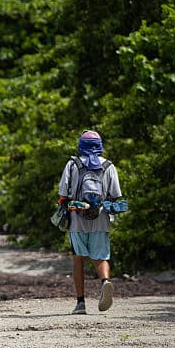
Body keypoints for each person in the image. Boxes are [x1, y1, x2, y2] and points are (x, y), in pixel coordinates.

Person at [58, 130, 123, 315]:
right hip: (101, 218)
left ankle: (80, 304)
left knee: (79, 257)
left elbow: (63, 194)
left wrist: (64, 204)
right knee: (101, 257)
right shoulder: (109, 165)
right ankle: (105, 282)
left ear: (81, 145)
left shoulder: (72, 164)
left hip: (77, 218)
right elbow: (116, 195)